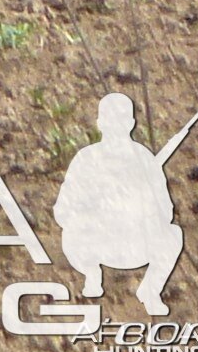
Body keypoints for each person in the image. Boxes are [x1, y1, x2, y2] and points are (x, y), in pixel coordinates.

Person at [57, 93, 185, 314]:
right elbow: (63, 210)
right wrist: (93, 211)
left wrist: (136, 207)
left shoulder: (145, 159)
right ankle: (91, 275)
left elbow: (166, 211)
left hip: (133, 243)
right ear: (100, 123)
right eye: (111, 119)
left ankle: (150, 291)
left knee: (173, 235)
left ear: (131, 123)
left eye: (121, 119)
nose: (116, 125)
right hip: (95, 243)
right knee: (71, 233)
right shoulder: (85, 159)